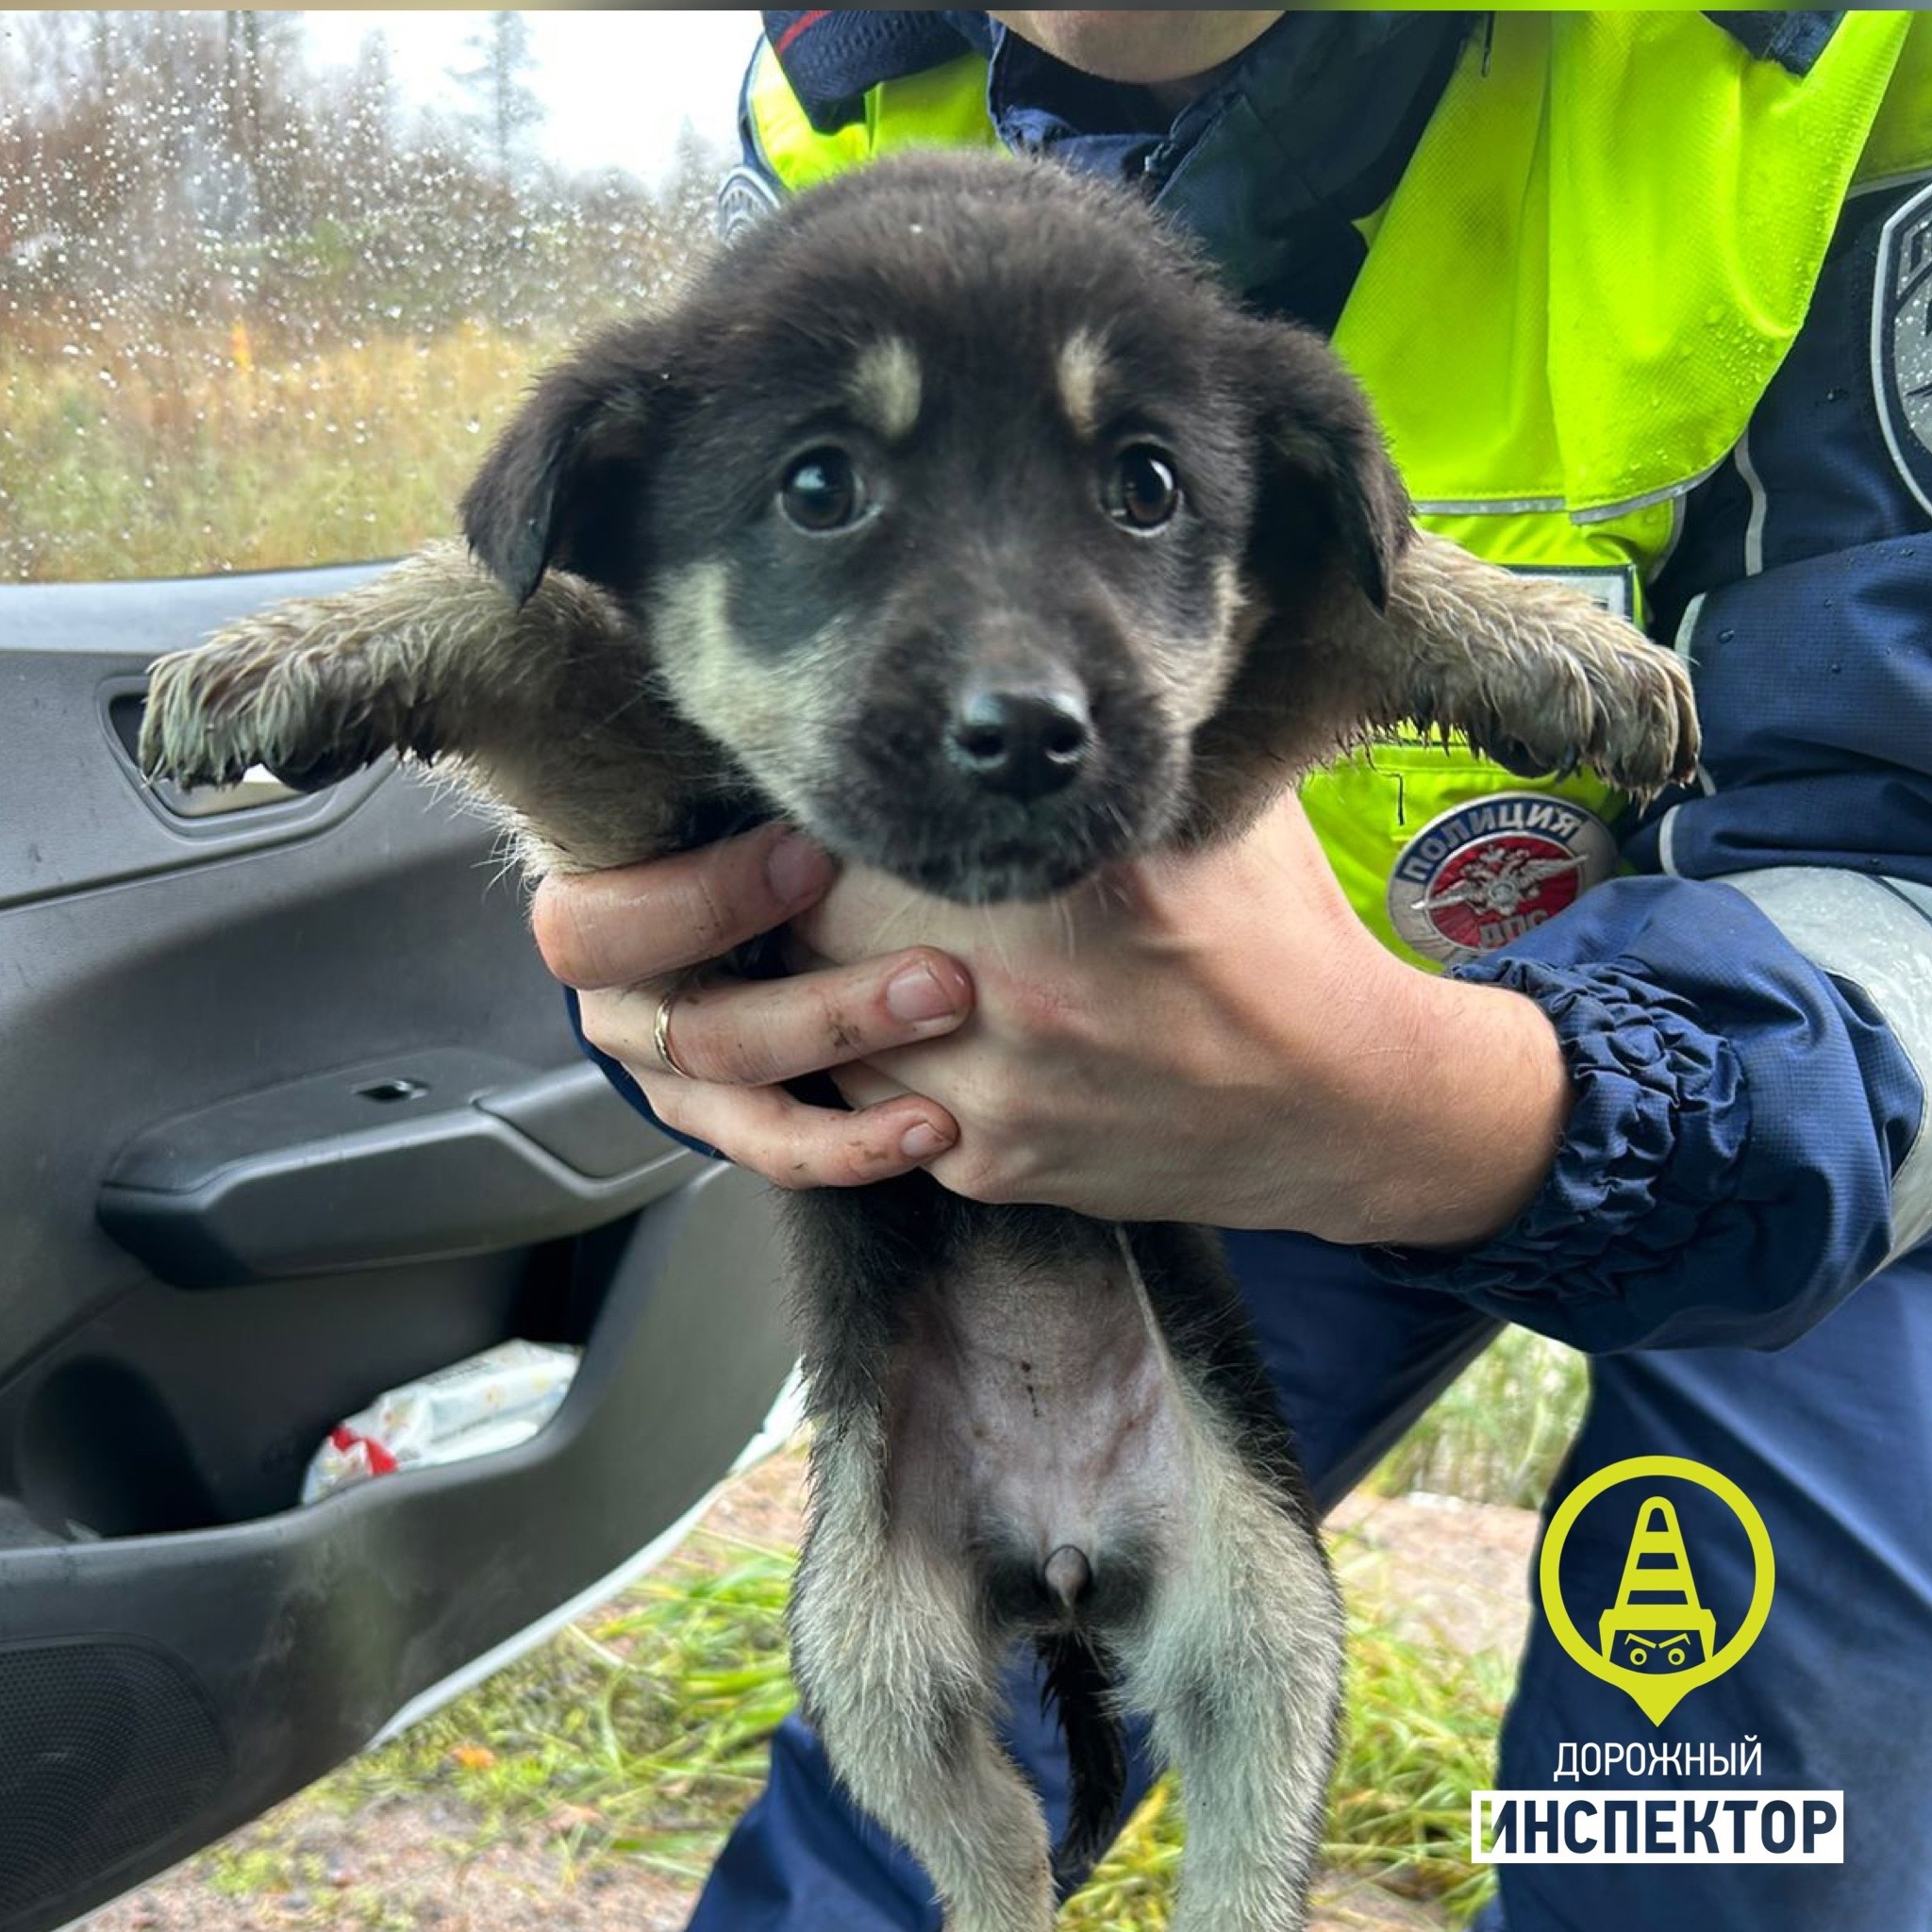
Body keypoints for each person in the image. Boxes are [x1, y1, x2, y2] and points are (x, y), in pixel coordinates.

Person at [535, 13, 1932, 1928]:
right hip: (1149, 1088)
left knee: (1732, 1825)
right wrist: (704, 997)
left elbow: (1905, 859)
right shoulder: (848, 79)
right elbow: (691, 663)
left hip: (1794, 1097)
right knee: (915, 1780)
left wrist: (1421, 1102)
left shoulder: (1833, 56)